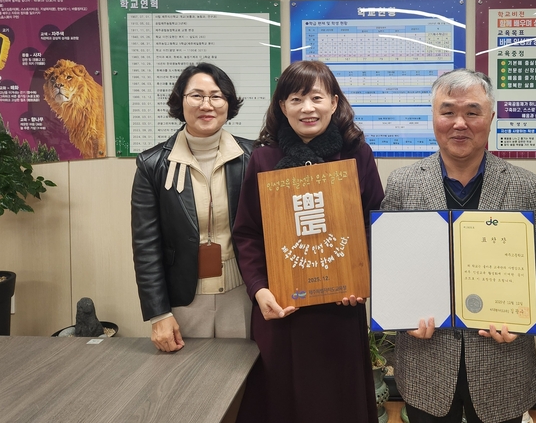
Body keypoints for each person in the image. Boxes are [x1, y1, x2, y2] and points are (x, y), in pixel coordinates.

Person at [381, 68, 536, 423]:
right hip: (426, 360)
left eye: (472, 112)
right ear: (434, 117)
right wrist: (402, 316)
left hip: (501, 361)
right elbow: (387, 261)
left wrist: (523, 314)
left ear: (490, 117)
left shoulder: (524, 185)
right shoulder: (402, 183)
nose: (459, 123)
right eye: (448, 112)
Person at [231, 60, 384, 423]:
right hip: (281, 309)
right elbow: (247, 233)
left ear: (334, 102)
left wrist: (360, 276)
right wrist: (259, 289)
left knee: (337, 405)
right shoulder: (264, 159)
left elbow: (374, 224)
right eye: (296, 99)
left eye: (316, 97)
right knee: (280, 404)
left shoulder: (357, 154)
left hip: (339, 309)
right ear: (282, 106)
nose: (307, 108)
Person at [131, 62, 255, 352]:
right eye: (196, 95)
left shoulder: (253, 157)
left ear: (228, 103)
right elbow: (146, 246)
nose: (206, 105)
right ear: (180, 101)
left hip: (243, 295)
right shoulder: (152, 165)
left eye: (216, 96)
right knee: (187, 376)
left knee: (244, 372)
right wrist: (158, 313)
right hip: (183, 300)